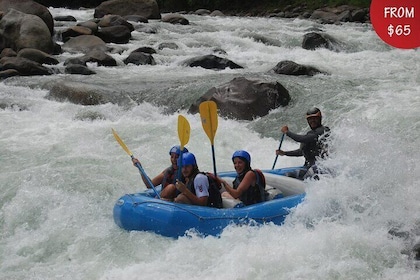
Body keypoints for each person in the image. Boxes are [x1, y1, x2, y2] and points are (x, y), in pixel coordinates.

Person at [276, 107, 330, 180]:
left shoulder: (323, 131)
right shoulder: (310, 134)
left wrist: (287, 132)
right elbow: (301, 152)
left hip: (319, 167)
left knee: (300, 175)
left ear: (319, 118)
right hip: (308, 166)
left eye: (315, 118)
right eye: (310, 119)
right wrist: (285, 153)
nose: (312, 121)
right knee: (288, 175)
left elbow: (301, 139)